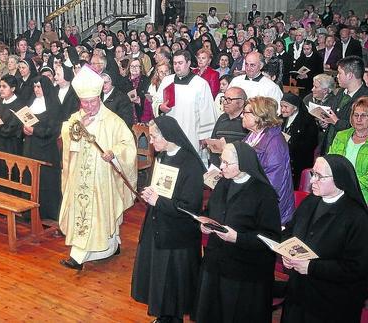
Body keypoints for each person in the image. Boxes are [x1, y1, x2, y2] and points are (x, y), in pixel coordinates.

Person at [59, 66, 137, 270]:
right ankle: (78, 256)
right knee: (84, 214)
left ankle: (112, 244)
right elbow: (67, 138)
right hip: (80, 179)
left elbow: (127, 143)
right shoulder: (76, 118)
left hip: (103, 178)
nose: (89, 106)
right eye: (85, 102)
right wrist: (77, 128)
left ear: (99, 98)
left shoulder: (112, 120)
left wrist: (113, 152)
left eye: (93, 102)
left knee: (104, 213)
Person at [195, 142, 281, 323]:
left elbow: (271, 239)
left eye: (227, 163)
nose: (222, 167)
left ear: (243, 163)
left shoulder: (264, 194)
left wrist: (238, 238)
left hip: (243, 272)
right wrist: (205, 223)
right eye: (221, 161)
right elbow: (210, 212)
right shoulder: (222, 184)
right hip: (215, 264)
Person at [131, 116, 205, 323]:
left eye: (154, 137)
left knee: (173, 280)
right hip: (157, 225)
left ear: (169, 136)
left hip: (177, 234)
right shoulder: (162, 157)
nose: (151, 142)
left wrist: (158, 201)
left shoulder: (190, 163)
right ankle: (163, 315)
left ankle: (172, 317)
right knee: (159, 276)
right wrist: (149, 194)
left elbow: (190, 207)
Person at [281, 155, 368, 323]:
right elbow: (289, 232)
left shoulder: (357, 217)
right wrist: (287, 253)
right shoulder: (310, 201)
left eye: (319, 176)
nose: (312, 180)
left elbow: (356, 268)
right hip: (298, 295)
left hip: (332, 303)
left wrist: (311, 267)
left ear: (339, 180)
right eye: (313, 173)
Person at [242, 96, 295, 225]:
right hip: (252, 197)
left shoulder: (274, 143)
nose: (241, 116)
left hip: (269, 207)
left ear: (259, 115)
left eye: (245, 113)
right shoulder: (253, 135)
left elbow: (273, 182)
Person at [153, 50, 216, 153]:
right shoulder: (167, 81)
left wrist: (204, 137)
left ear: (189, 63)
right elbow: (156, 101)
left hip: (191, 133)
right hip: (170, 133)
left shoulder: (200, 84)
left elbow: (207, 112)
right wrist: (160, 107)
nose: (177, 66)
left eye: (180, 63)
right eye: (175, 63)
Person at [22, 76, 63, 221]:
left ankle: (47, 214)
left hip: (46, 150)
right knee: (31, 179)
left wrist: (35, 131)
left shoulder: (53, 105)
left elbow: (53, 130)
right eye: (35, 87)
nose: (36, 90)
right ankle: (29, 213)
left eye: (39, 87)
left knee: (46, 181)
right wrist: (25, 130)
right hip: (30, 147)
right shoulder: (32, 103)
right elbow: (25, 122)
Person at [319, 56, 368, 154]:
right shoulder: (341, 92)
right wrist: (326, 122)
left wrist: (336, 122)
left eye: (339, 73)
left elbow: (360, 128)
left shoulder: (365, 99)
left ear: (350, 75)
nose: (337, 76)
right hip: (330, 147)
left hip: (348, 152)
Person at [328, 97, 368, 203]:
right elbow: (330, 162)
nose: (359, 119)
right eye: (356, 115)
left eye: (363, 115)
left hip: (363, 197)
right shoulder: (341, 136)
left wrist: (348, 184)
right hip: (337, 191)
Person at [280, 93, 318, 187]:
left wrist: (291, 143)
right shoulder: (281, 118)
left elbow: (310, 144)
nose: (282, 109)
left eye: (286, 107)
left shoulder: (307, 121)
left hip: (299, 162)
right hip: (283, 160)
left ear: (295, 108)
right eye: (281, 106)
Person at [207, 87, 249, 167]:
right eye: (224, 98)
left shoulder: (247, 121)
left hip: (238, 167)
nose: (224, 102)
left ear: (240, 102)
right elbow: (214, 140)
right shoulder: (222, 118)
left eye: (229, 99)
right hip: (218, 166)